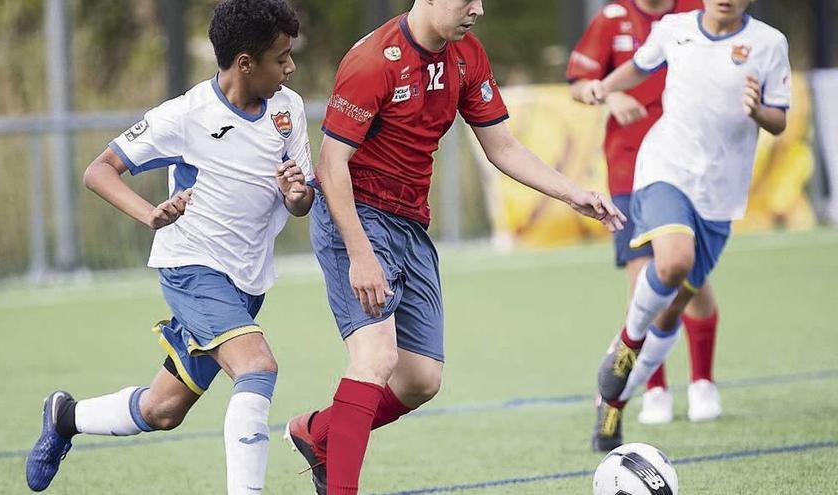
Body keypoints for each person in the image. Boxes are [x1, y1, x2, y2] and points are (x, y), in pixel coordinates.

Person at [283, 1, 625, 494]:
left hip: (410, 224)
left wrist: (572, 193)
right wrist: (360, 255)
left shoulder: (467, 55)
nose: (479, 9)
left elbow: (502, 146)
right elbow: (331, 166)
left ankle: (318, 435)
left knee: (420, 380)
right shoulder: (373, 60)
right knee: (375, 360)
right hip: (355, 216)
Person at [24, 1, 313, 492]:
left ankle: (65, 417)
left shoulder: (289, 109)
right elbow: (99, 170)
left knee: (163, 410)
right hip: (192, 269)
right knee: (257, 365)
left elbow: (302, 200)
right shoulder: (186, 114)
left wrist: (297, 192)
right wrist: (149, 215)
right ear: (245, 62)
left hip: (246, 280)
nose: (290, 67)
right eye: (281, 57)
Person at [577, 0, 789, 451]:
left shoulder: (770, 44)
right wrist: (604, 89)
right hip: (664, 168)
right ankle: (628, 345)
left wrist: (757, 111)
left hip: (720, 193)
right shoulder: (674, 28)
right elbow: (636, 67)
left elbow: (779, 118)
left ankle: (614, 406)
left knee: (674, 307)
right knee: (672, 262)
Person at [568, 0, 723, 431]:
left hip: (689, 164)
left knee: (690, 273)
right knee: (644, 276)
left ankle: (703, 382)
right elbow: (579, 84)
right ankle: (654, 388)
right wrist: (609, 93)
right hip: (630, 164)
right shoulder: (611, 18)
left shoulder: (699, 11)